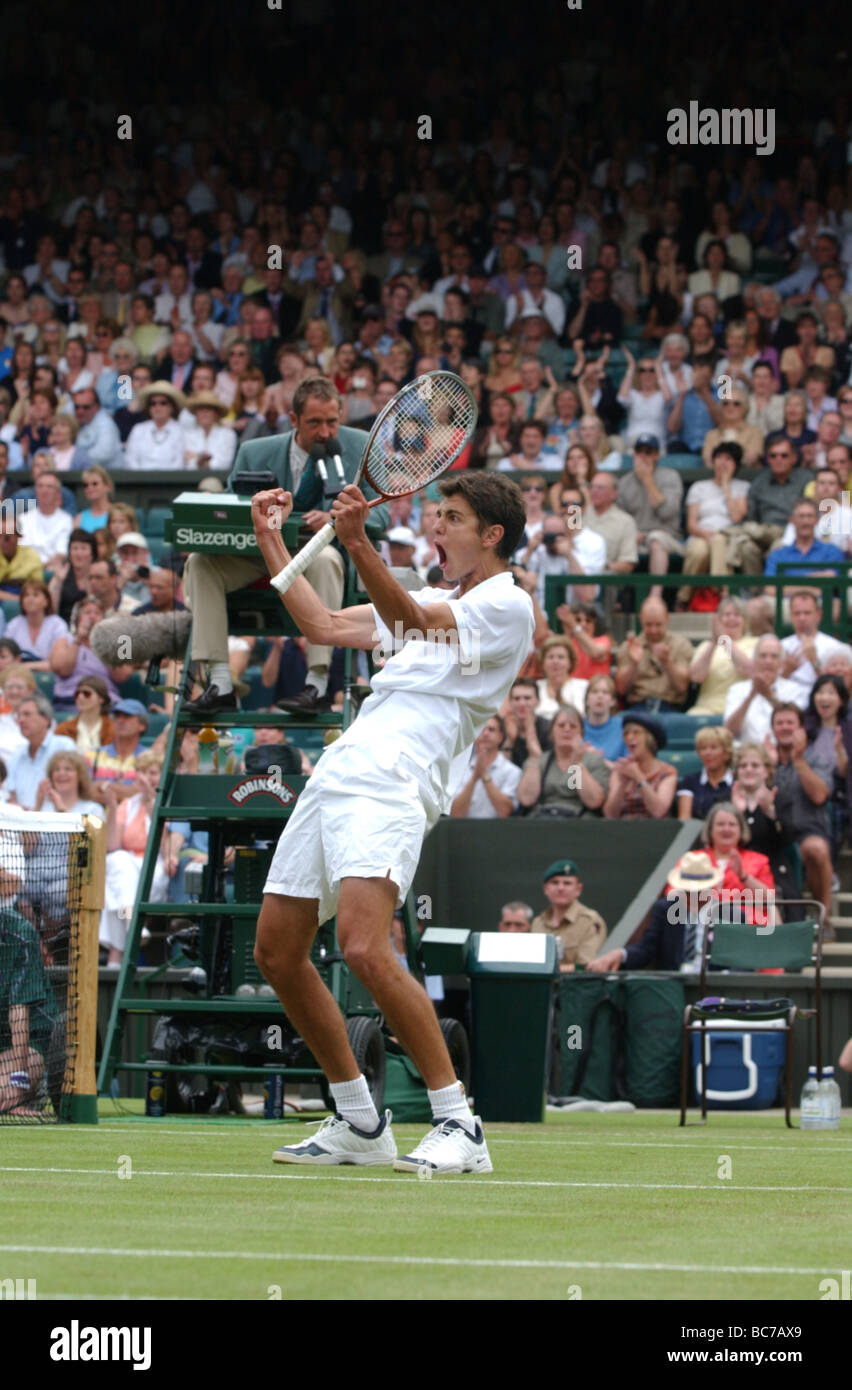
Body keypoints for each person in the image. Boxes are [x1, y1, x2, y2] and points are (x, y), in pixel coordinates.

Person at [251, 469, 534, 1174]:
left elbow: (406, 620)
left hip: (395, 779)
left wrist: (355, 545)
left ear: (492, 536)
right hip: (341, 771)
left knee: (365, 948)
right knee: (278, 952)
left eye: (453, 517)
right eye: (436, 513)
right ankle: (358, 1120)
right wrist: (268, 538)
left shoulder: (509, 606)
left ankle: (458, 1123)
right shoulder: (434, 594)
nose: (437, 525)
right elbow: (322, 623)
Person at [182, 376, 389, 714]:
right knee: (201, 562)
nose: (325, 432)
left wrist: (340, 518)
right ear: (293, 420)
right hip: (258, 551)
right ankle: (219, 683)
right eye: (315, 423)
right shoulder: (254, 452)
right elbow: (230, 509)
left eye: (332, 421)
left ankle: (317, 684)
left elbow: (382, 519)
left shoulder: (361, 446)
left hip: (316, 554)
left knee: (324, 560)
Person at [590, 811, 775, 974]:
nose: (693, 893)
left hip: (715, 989)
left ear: (710, 887)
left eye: (699, 887)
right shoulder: (666, 910)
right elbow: (646, 949)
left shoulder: (732, 915)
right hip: (675, 986)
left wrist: (724, 979)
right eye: (688, 888)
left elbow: (742, 964)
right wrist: (620, 954)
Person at [100, 754, 168, 966]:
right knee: (117, 860)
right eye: (143, 773)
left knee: (115, 891)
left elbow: (165, 848)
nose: (147, 778)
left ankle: (115, 956)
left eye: (153, 773)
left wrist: (150, 801)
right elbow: (112, 845)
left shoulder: (169, 801)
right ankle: (133, 923)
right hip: (128, 870)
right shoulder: (128, 805)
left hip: (155, 868)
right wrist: (112, 806)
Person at [769, 703, 833, 925]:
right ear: (773, 728)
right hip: (772, 834)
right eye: (780, 723)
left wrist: (799, 761)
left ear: (801, 729)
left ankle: (823, 918)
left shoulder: (815, 759)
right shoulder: (763, 760)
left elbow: (819, 796)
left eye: (790, 723)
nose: (785, 728)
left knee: (817, 849)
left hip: (807, 830)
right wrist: (767, 767)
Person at [679, 442, 750, 600]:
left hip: (730, 537)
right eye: (719, 457)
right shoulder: (699, 487)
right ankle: (684, 597)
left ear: (736, 464)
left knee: (719, 540)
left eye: (728, 458)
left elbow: (737, 517)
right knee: (699, 551)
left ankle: (721, 592)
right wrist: (706, 535)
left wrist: (726, 486)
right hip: (701, 534)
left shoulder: (743, 487)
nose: (723, 462)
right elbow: (691, 524)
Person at [517, 706, 609, 819]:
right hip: (543, 821)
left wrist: (578, 763)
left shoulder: (593, 761)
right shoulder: (539, 760)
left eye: (573, 726)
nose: (567, 729)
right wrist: (535, 759)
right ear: (551, 732)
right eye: (561, 725)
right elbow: (526, 799)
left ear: (582, 733)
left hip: (580, 823)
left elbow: (594, 801)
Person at [616, 436, 685, 588]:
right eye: (638, 451)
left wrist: (647, 479)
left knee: (656, 539)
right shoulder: (624, 482)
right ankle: (617, 599)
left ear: (656, 455)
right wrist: (630, 534)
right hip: (635, 538)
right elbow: (618, 518)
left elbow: (667, 512)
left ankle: (655, 597)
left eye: (648, 452)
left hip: (667, 536)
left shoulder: (670, 476)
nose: (642, 456)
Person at [615, 596, 692, 713]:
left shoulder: (681, 644)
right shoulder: (629, 646)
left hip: (670, 708)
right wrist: (634, 664)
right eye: (648, 625)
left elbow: (682, 687)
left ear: (667, 618)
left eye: (658, 624)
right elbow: (621, 689)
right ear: (640, 619)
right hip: (638, 707)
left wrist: (666, 662)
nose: (653, 630)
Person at [724, 633, 804, 744]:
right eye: (763, 656)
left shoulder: (794, 690)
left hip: (781, 751)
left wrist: (769, 697)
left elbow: (795, 727)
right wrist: (751, 696)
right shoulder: (737, 689)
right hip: (746, 753)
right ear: (754, 661)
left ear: (781, 663)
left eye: (774, 656)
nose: (768, 661)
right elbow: (729, 731)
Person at [530, 859, 607, 971]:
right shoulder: (538, 923)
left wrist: (548, 970)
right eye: (555, 882)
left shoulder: (590, 921)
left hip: (577, 985)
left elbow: (587, 967)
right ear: (546, 888)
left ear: (578, 889)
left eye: (567, 883)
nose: (560, 888)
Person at [780, 590, 852, 703]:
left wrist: (815, 662)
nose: (802, 618)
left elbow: (841, 688)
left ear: (818, 615)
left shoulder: (834, 646)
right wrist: (787, 671)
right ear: (791, 616)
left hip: (822, 703)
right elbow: (772, 686)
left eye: (807, 613)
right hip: (787, 701)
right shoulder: (780, 646)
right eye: (797, 613)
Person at [603, 710, 677, 819]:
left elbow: (659, 811)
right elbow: (610, 815)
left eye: (636, 732)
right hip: (622, 831)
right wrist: (622, 784)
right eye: (626, 733)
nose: (629, 737)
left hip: (655, 832)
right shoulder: (620, 771)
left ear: (650, 739)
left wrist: (638, 777)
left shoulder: (667, 773)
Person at [5, 694, 75, 808]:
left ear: (46, 719)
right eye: (19, 715)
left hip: (58, 820)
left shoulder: (64, 746)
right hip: (21, 822)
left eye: (27, 714)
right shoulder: (16, 754)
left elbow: (74, 791)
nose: (21, 720)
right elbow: (11, 797)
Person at [450, 715, 521, 819]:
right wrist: (474, 778)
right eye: (481, 729)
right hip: (465, 832)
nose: (486, 733)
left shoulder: (512, 771)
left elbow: (505, 812)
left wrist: (484, 774)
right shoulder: (459, 771)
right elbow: (455, 814)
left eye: (491, 730)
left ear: (501, 737)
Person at [584, 472, 639, 575]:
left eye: (600, 487)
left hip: (606, 580)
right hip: (575, 577)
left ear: (614, 493)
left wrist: (600, 568)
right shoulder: (577, 515)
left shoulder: (626, 522)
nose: (594, 491)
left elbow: (628, 564)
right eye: (591, 487)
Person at [677, 726, 735, 820]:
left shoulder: (737, 782)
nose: (707, 753)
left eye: (713, 747)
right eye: (703, 748)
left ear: (727, 753)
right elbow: (684, 819)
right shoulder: (690, 781)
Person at [55, 676, 115, 755]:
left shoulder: (113, 729)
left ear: (101, 698)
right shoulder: (63, 729)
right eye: (77, 694)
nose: (80, 697)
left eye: (86, 694)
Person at [534, 634, 589, 717]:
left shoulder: (584, 687)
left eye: (561, 657)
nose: (555, 661)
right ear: (543, 662)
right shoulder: (535, 688)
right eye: (550, 657)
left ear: (570, 662)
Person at [582, 674, 626, 762]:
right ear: (587, 700)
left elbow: (627, 767)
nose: (600, 696)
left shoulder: (623, 727)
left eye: (605, 692)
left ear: (613, 701)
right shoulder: (576, 726)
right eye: (594, 692)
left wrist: (599, 761)